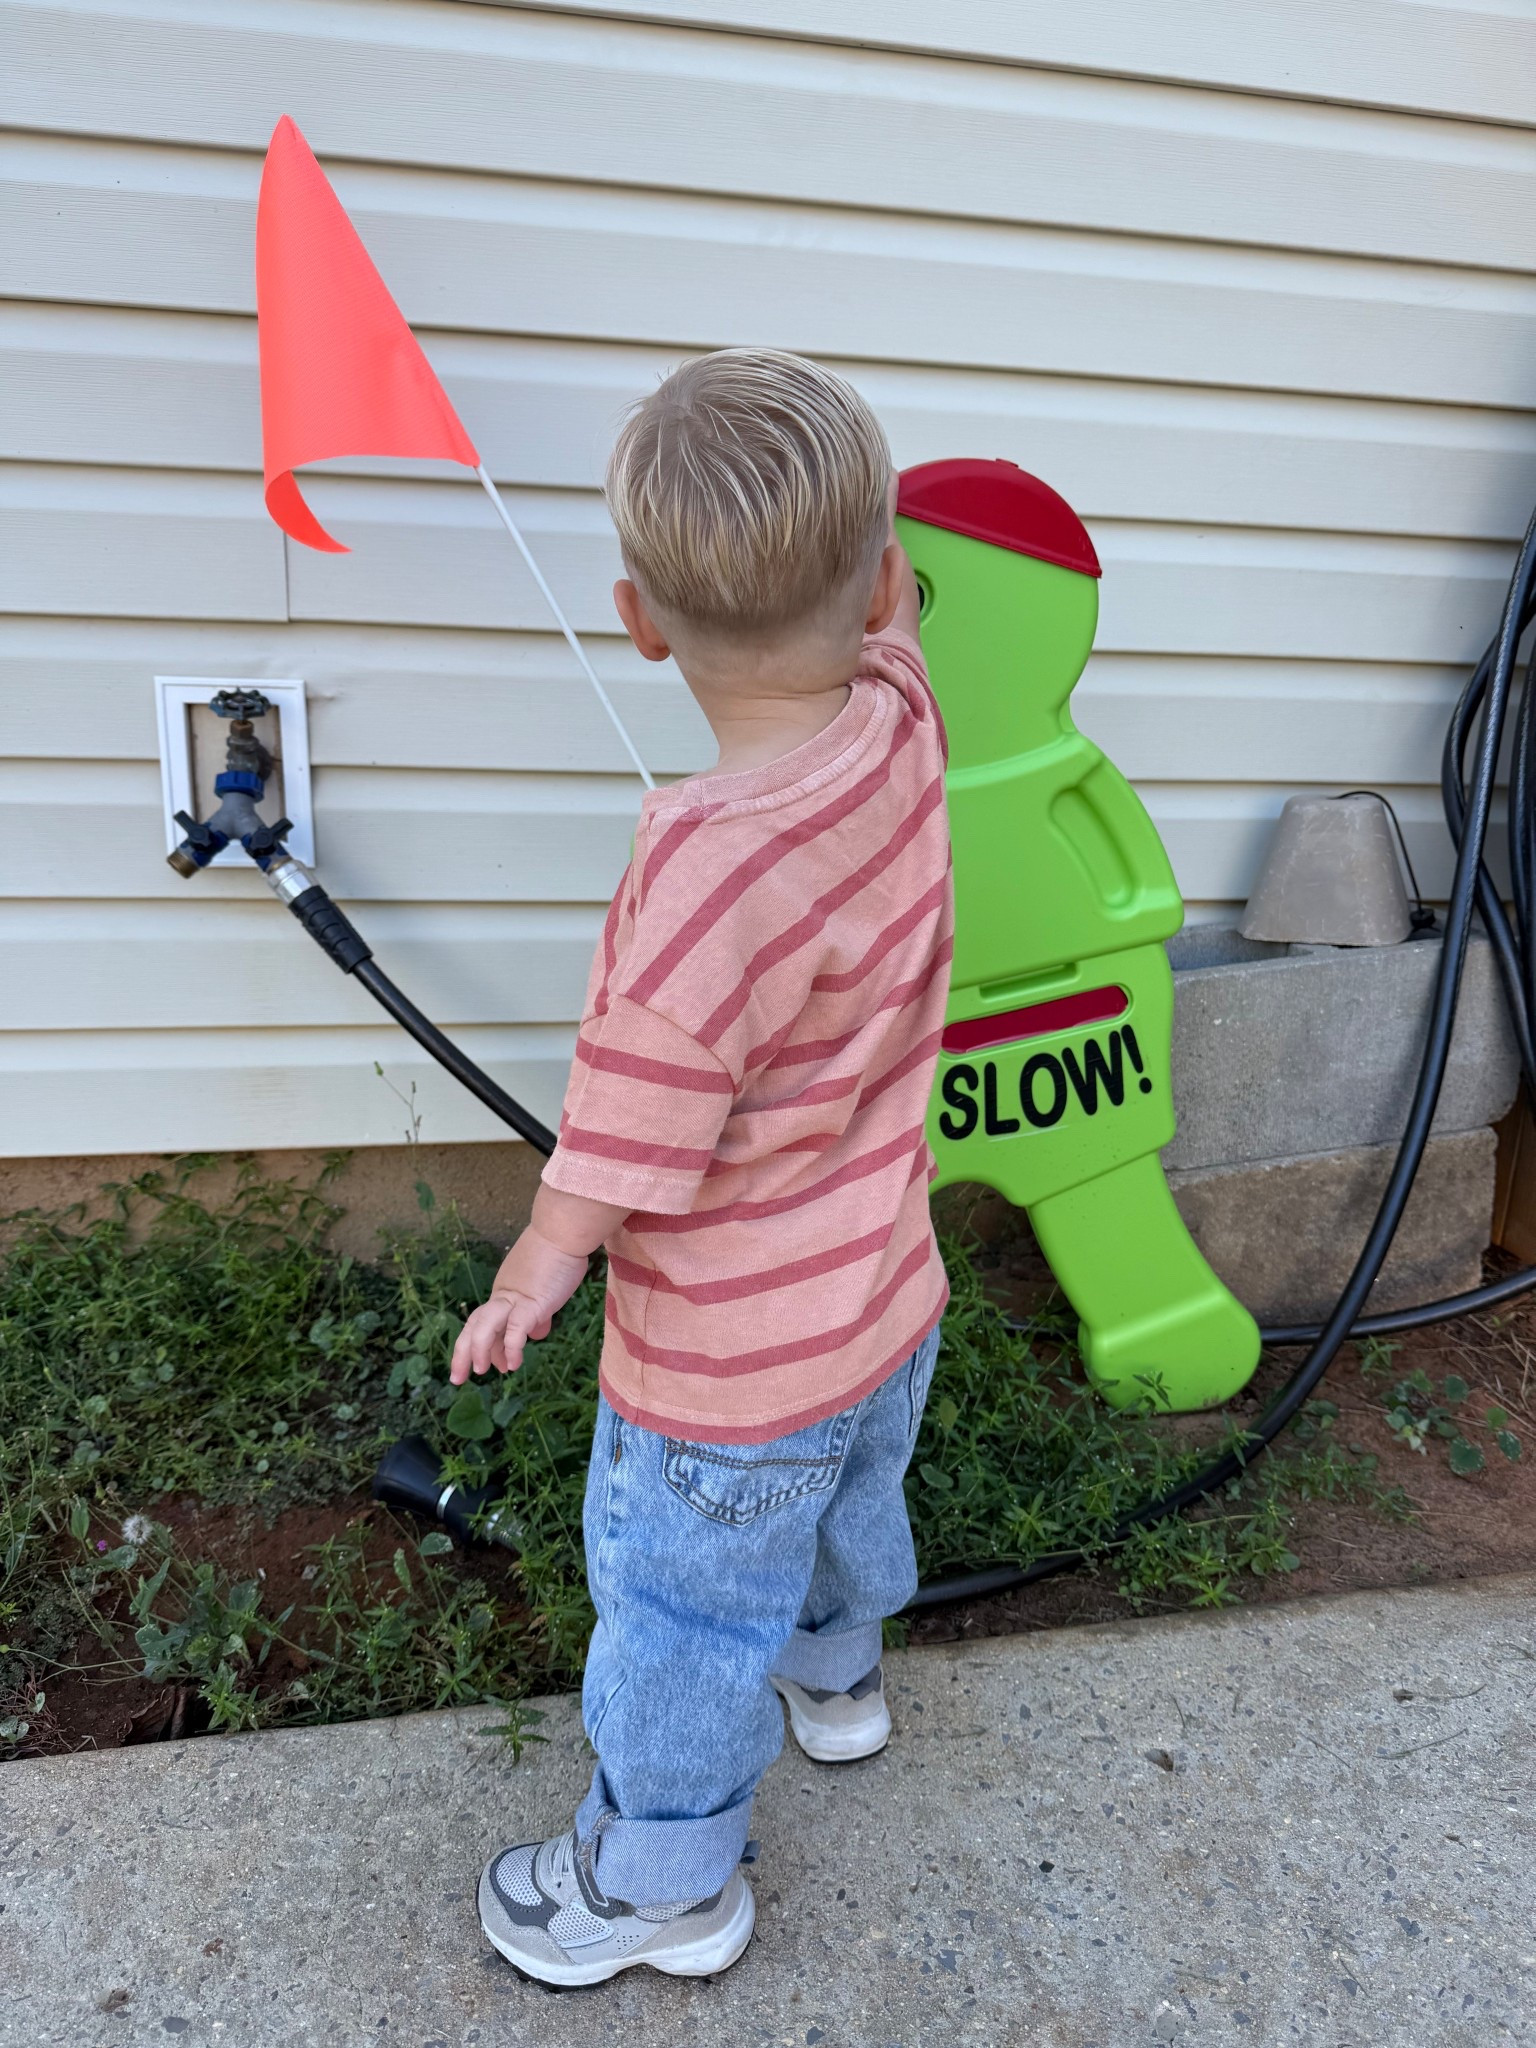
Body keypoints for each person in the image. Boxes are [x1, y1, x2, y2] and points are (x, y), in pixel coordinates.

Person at [451, 347, 953, 1988]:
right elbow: (890, 619)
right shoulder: (904, 719)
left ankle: (664, 1880)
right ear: (884, 588)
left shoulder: (701, 867)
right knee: (847, 1501)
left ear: (637, 623)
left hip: (730, 1375)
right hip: (883, 1294)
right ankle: (838, 1681)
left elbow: (632, 1114)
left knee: (683, 1611)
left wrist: (541, 1258)